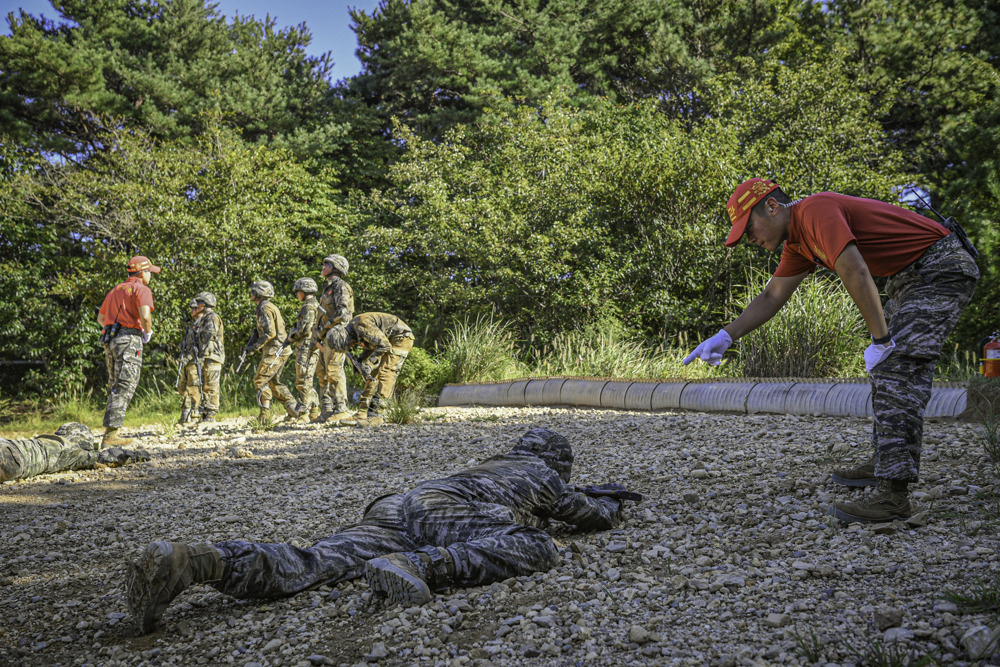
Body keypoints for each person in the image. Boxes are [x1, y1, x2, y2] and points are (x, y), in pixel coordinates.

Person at [124, 427, 641, 635]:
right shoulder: (540, 472)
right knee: (536, 544)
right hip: (445, 512)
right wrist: (611, 504)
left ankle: (198, 559)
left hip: (397, 507)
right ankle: (421, 566)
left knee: (313, 562)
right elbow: (583, 515)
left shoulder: (493, 463)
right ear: (557, 463)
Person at [684, 178, 979, 523]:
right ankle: (887, 461)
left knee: (897, 366)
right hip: (912, 276)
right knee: (890, 367)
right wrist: (726, 335)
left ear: (772, 207)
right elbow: (771, 296)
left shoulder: (816, 211)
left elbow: (854, 269)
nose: (750, 239)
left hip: (941, 267)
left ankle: (894, 498)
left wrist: (882, 340)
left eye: (748, 228)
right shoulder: (797, 244)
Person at [97, 255, 160, 447]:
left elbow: (101, 318)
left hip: (110, 339)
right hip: (129, 339)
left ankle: (110, 432)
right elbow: (145, 315)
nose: (150, 275)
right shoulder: (142, 289)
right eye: (149, 271)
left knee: (114, 383)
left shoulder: (114, 290)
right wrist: (147, 332)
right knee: (125, 385)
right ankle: (111, 436)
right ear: (142, 273)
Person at [325, 312, 415, 427]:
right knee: (372, 376)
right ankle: (362, 413)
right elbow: (373, 343)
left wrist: (369, 363)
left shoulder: (362, 324)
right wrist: (361, 359)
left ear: (345, 336)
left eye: (349, 344)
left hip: (401, 338)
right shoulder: (355, 328)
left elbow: (384, 345)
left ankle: (377, 415)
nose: (352, 346)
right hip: (388, 339)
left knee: (386, 371)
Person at [1, 423, 149, 483]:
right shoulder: (72, 451)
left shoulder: (46, 440)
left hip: (10, 447)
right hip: (15, 459)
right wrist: (141, 456)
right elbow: (111, 456)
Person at [244, 280, 297, 423]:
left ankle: (264, 416)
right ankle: (295, 411)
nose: (251, 295)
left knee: (260, 380)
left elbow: (270, 333)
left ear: (260, 293)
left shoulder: (264, 308)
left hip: (276, 350)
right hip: (280, 349)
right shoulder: (268, 306)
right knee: (273, 382)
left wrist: (254, 347)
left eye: (253, 292)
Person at [310, 254, 355, 423]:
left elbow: (343, 313)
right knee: (322, 372)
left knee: (334, 370)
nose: (322, 266)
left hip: (337, 334)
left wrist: (325, 327)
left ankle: (341, 409)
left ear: (335, 267)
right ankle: (327, 410)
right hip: (326, 335)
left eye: (326, 264)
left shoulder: (340, 286)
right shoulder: (328, 288)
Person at [177, 292, 225, 424]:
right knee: (204, 385)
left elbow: (209, 336)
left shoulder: (212, 317)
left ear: (204, 304)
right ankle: (204, 414)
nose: (196, 306)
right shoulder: (204, 319)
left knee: (211, 385)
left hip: (212, 356)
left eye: (198, 304)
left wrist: (199, 353)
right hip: (205, 356)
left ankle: (210, 415)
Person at [287, 278, 321, 421]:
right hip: (310, 346)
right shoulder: (314, 305)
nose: (297, 295)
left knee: (303, 379)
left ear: (305, 291)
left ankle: (304, 414)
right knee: (307, 378)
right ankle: (314, 410)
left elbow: (306, 329)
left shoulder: (308, 307)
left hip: (306, 347)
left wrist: (293, 335)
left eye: (298, 292)